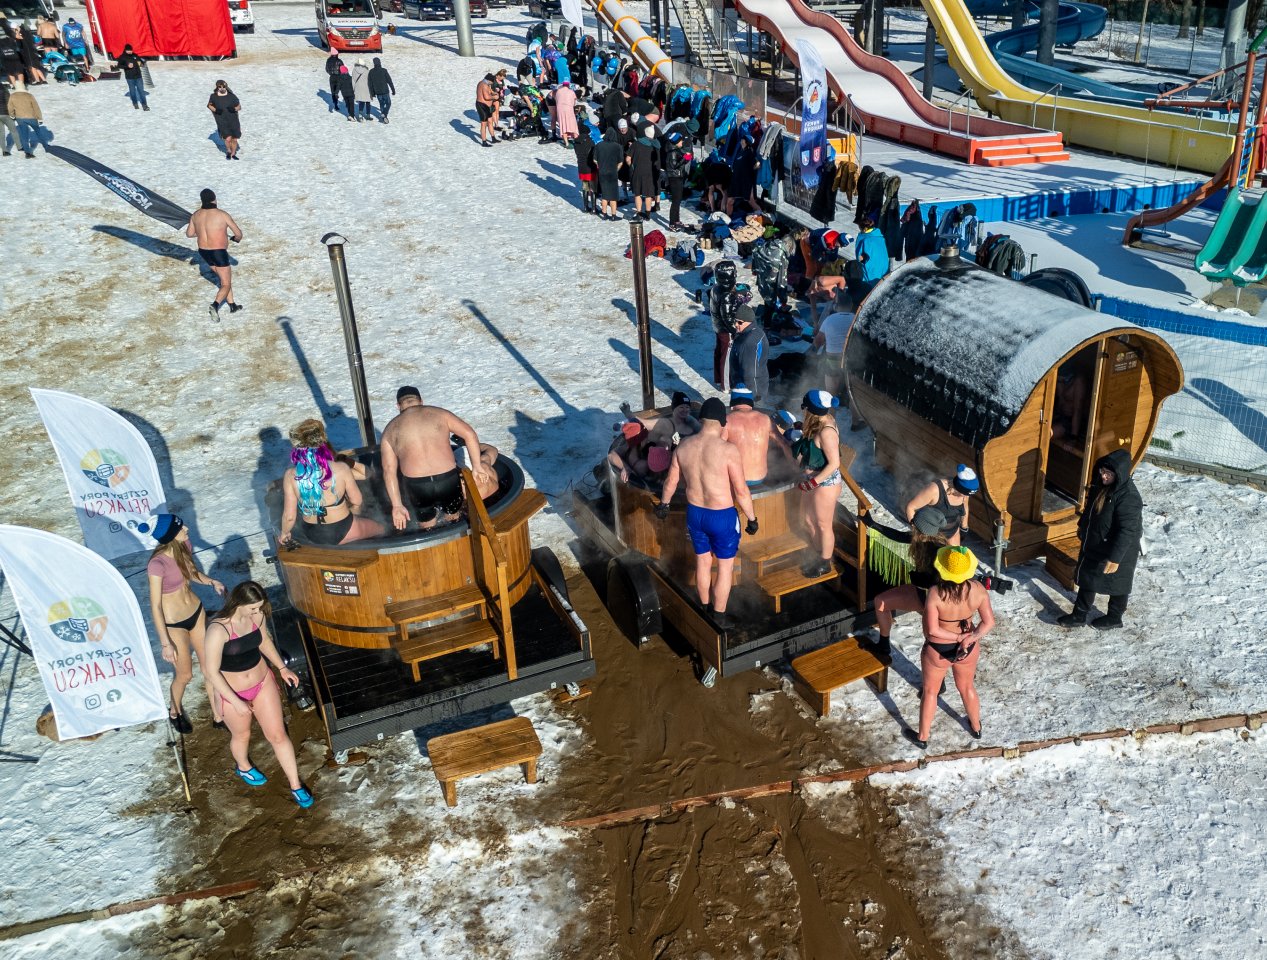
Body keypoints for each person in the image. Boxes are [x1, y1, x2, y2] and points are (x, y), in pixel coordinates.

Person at [203, 581, 313, 809]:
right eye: (253, 608)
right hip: (232, 691)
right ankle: (243, 766)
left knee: (278, 735)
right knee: (242, 735)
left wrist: (282, 668)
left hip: (262, 682)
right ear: (238, 603)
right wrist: (236, 701)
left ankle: (295, 785)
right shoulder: (218, 629)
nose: (257, 612)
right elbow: (211, 672)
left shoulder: (257, 616)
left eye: (259, 607)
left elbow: (264, 641)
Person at [655, 397, 758, 629]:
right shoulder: (728, 450)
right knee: (724, 567)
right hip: (722, 516)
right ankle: (718, 616)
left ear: (701, 420)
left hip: (695, 515)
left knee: (702, 562)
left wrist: (664, 505)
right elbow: (741, 490)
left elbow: (671, 481)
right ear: (723, 422)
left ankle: (704, 608)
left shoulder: (684, 446)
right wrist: (752, 519)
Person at [141, 513, 226, 732]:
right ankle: (174, 710)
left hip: (196, 613)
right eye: (181, 527)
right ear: (171, 535)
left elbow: (192, 572)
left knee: (210, 668)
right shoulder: (157, 565)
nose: (186, 528)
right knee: (185, 675)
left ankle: (218, 716)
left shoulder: (184, 545)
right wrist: (165, 643)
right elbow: (155, 606)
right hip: (174, 624)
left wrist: (211, 581)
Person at [906, 546, 995, 749]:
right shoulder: (978, 590)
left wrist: (956, 637)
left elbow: (932, 630)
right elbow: (989, 622)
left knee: (930, 692)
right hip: (968, 648)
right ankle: (976, 727)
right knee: (967, 687)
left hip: (938, 649)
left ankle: (922, 737)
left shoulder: (936, 593)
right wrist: (970, 637)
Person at [381, 386, 493, 530]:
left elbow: (388, 470)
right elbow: (469, 434)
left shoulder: (390, 429)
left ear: (398, 406)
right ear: (421, 401)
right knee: (454, 518)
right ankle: (457, 537)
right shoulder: (440, 414)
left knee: (427, 527)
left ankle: (432, 538)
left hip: (418, 486)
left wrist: (397, 505)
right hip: (447, 479)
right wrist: (477, 466)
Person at [1057, 449, 1142, 630]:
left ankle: (1115, 617)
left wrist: (1115, 558)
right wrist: (1083, 526)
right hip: (1097, 543)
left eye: (1108, 473)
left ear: (1119, 474)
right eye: (1103, 471)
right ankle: (1079, 615)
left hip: (1121, 548)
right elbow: (1090, 510)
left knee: (1119, 583)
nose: (1104, 476)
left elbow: (1127, 530)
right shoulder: (1101, 486)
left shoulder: (1129, 497)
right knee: (1089, 578)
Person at [278, 419, 384, 546]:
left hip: (312, 532)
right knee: (381, 529)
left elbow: (289, 516)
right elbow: (357, 500)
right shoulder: (340, 469)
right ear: (323, 444)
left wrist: (284, 533)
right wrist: (355, 511)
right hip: (342, 528)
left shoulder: (290, 475)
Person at [862, 506, 948, 657]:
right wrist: (873, 524)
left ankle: (937, 665)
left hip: (936, 601)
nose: (911, 522)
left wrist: (917, 578)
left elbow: (945, 580)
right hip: (921, 593)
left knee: (931, 639)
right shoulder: (921, 538)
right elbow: (897, 535)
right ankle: (883, 645)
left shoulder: (939, 551)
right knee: (880, 602)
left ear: (923, 528)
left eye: (915, 521)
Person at [791, 390, 842, 578]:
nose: (803, 410)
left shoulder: (827, 431)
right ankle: (818, 553)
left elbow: (835, 463)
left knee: (823, 524)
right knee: (807, 520)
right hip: (812, 480)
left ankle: (825, 562)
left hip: (825, 483)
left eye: (804, 407)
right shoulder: (817, 421)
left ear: (811, 409)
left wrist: (813, 482)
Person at [186, 188, 242, 319]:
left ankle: (232, 305)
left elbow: (189, 234)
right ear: (214, 199)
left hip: (204, 252)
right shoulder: (222, 215)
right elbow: (238, 234)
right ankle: (215, 305)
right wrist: (236, 239)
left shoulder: (195, 215)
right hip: (218, 252)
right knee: (226, 283)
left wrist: (202, 233)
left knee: (224, 279)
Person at [725, 385, 790, 487]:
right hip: (760, 477)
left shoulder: (727, 420)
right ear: (750, 403)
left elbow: (716, 449)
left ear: (732, 404)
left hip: (736, 479)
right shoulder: (765, 419)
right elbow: (784, 443)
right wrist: (794, 466)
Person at [906, 464, 977, 546]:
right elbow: (911, 507)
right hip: (930, 533)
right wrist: (917, 530)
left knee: (955, 554)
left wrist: (964, 527)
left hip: (952, 532)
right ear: (958, 487)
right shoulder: (935, 490)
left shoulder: (965, 494)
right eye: (965, 494)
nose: (966, 496)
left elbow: (965, 508)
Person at [728, 305, 769, 405]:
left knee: (747, 413)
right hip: (746, 385)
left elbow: (750, 372)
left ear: (749, 321)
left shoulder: (749, 342)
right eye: (735, 321)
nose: (736, 325)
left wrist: (754, 395)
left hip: (748, 390)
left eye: (740, 322)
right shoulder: (752, 331)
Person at [850, 216, 889, 303]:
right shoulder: (879, 236)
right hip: (883, 268)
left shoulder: (864, 239)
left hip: (871, 272)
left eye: (860, 228)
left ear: (864, 229)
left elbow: (860, 258)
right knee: (881, 288)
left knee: (870, 293)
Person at [628, 123, 660, 222]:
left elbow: (628, 158)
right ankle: (648, 214)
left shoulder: (636, 144)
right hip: (651, 173)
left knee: (637, 193)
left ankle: (639, 213)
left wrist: (631, 165)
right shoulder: (656, 145)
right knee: (648, 194)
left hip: (638, 171)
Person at [593, 127, 625, 221]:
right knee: (613, 195)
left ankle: (604, 214)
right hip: (613, 173)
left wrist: (600, 166)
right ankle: (613, 215)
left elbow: (594, 160)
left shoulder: (599, 145)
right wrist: (616, 170)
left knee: (605, 193)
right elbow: (620, 162)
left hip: (602, 172)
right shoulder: (618, 146)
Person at [607, 419, 651, 483]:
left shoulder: (649, 444)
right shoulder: (627, 447)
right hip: (638, 481)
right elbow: (611, 456)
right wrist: (625, 467)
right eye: (645, 437)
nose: (647, 439)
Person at [662, 130, 691, 229]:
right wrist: (685, 159)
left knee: (678, 200)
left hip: (677, 176)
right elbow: (674, 165)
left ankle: (676, 220)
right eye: (681, 140)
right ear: (676, 141)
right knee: (676, 200)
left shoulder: (675, 150)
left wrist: (685, 158)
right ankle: (672, 223)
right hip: (675, 177)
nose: (682, 142)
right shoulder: (673, 152)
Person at [208, 79, 241, 159]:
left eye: (224, 86)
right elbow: (209, 105)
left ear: (226, 87)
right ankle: (228, 151)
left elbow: (239, 106)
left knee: (234, 139)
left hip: (233, 120)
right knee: (228, 138)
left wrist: (234, 109)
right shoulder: (214, 96)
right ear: (217, 87)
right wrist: (216, 110)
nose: (222, 88)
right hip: (222, 120)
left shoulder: (232, 96)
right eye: (220, 86)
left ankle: (233, 154)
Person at [7, 81, 41, 159]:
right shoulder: (29, 95)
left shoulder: (12, 96)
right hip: (32, 117)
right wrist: (39, 117)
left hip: (20, 118)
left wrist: (12, 115)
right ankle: (46, 145)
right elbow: (36, 107)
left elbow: (10, 107)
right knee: (38, 131)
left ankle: (27, 153)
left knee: (24, 136)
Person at [572, 121, 598, 214]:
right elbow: (594, 155)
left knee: (585, 187)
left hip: (581, 167)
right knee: (593, 187)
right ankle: (594, 208)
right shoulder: (590, 142)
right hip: (590, 167)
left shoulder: (576, 143)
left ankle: (586, 207)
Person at [112, 44, 147, 110]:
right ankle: (135, 103)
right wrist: (127, 66)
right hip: (130, 78)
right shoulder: (122, 57)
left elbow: (141, 62)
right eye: (128, 50)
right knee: (132, 91)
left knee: (141, 91)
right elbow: (119, 66)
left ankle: (144, 105)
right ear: (125, 50)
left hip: (138, 76)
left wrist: (142, 63)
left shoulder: (135, 55)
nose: (130, 51)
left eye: (130, 50)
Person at [368, 56, 395, 123]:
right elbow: (389, 81)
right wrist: (393, 89)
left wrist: (372, 93)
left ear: (374, 63)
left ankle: (383, 117)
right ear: (380, 62)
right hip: (385, 90)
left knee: (381, 104)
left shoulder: (371, 72)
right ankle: (384, 114)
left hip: (378, 92)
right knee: (388, 103)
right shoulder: (384, 70)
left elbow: (370, 84)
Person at [476, 72, 498, 146]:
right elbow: (486, 97)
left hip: (488, 106)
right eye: (492, 82)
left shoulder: (485, 83)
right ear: (489, 80)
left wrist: (494, 93)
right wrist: (494, 97)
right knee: (484, 124)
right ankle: (484, 141)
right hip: (482, 105)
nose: (492, 83)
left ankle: (493, 138)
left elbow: (490, 91)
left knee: (490, 121)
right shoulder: (484, 85)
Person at [553, 80, 578, 146]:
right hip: (569, 109)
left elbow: (556, 100)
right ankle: (576, 140)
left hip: (560, 109)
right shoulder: (571, 92)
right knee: (572, 124)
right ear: (568, 85)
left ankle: (566, 143)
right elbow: (574, 102)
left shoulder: (558, 91)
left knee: (563, 125)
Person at [0, 81, 16, 157]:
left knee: (1, 133)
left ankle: (4, 150)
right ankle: (5, 151)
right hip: (5, 113)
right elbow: (9, 102)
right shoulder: (4, 90)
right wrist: (12, 113)